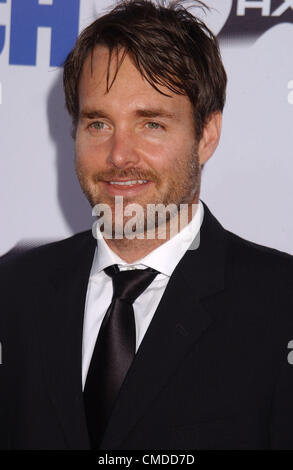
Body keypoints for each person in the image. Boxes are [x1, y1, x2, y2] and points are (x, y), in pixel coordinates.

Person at [0, 0, 293, 450]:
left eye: (151, 124)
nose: (119, 155)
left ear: (206, 136)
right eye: (98, 123)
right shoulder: (15, 289)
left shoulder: (280, 301)